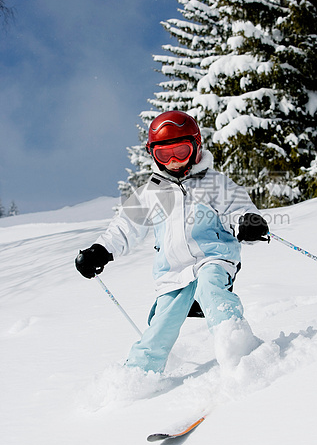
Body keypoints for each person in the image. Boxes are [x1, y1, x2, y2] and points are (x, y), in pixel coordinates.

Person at [75, 110, 269, 374]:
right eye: (165, 155)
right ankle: (139, 373)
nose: (175, 161)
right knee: (161, 324)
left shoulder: (214, 184)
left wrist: (247, 220)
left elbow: (237, 207)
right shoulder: (151, 193)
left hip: (212, 257)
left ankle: (237, 346)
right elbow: (125, 227)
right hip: (173, 272)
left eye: (181, 151)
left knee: (212, 288)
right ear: (154, 155)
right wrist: (101, 250)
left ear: (196, 147)